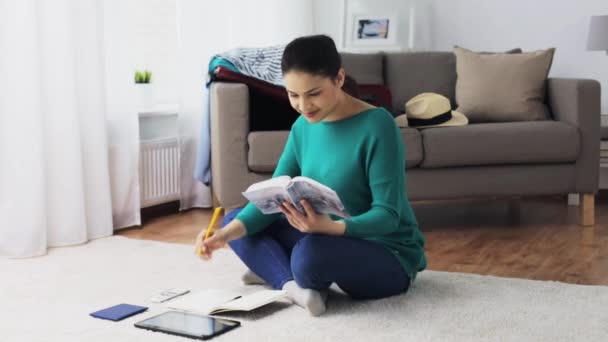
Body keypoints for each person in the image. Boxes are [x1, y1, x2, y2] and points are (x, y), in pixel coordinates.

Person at [195, 34, 426, 316]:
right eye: (294, 95)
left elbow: (388, 215)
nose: (304, 106)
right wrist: (221, 236)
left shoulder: (379, 126)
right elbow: (270, 199)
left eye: (314, 93)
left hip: (386, 251)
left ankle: (274, 268)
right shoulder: (302, 128)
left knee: (309, 257)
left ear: (339, 78)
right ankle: (293, 288)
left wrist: (331, 228)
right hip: (325, 234)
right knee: (236, 220)